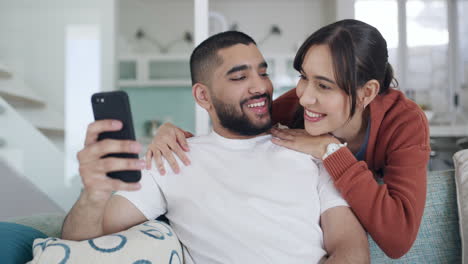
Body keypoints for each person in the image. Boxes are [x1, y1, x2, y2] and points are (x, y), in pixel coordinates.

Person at [61, 31, 369, 264]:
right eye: (239, 77)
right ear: (203, 96)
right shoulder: (173, 157)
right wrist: (94, 194)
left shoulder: (312, 149)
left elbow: (350, 247)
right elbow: (87, 237)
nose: (261, 86)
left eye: (263, 72)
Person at [146, 19, 431, 259]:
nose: (305, 96)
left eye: (323, 85)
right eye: (303, 77)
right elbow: (234, 144)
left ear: (367, 93)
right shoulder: (293, 109)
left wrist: (330, 150)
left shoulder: (403, 121)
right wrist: (174, 136)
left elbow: (398, 238)